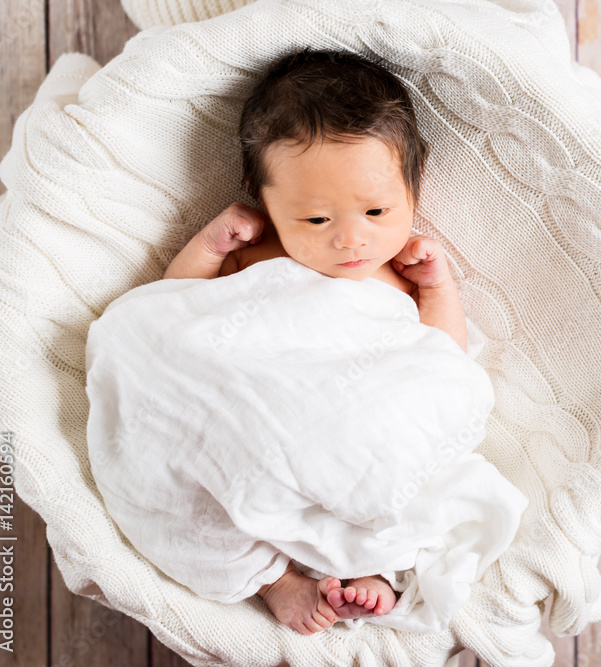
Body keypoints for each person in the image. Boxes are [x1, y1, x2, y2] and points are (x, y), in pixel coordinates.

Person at [162, 47, 468, 635]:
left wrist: (438, 288)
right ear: (263, 198)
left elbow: (441, 366)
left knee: (409, 482)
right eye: (316, 220)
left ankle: (375, 571)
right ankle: (276, 580)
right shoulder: (254, 255)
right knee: (203, 473)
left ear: (414, 185)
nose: (351, 239)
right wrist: (208, 247)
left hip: (359, 427)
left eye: (377, 209)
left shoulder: (400, 273)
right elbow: (176, 316)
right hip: (260, 414)